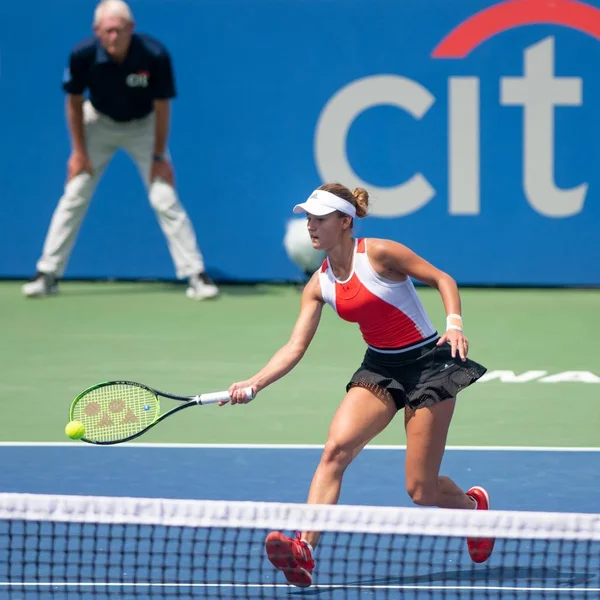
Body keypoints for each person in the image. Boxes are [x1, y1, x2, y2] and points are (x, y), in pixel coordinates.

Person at [226, 183, 495, 587]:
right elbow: (295, 346)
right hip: (380, 369)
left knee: (420, 491)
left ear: (345, 222)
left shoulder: (380, 253)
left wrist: (454, 322)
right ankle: (305, 549)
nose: (310, 227)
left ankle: (472, 507)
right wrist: (255, 383)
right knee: (335, 450)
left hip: (427, 365)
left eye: (319, 219)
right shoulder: (319, 284)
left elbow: (442, 278)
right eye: (308, 219)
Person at [22, 0, 218, 300]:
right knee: (75, 192)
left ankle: (196, 275)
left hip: (144, 127)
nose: (113, 37)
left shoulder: (154, 55)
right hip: (97, 124)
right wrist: (78, 152)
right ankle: (47, 273)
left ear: (131, 29)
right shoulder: (82, 55)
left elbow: (162, 107)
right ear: (97, 31)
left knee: (164, 197)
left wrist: (158, 155)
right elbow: (73, 103)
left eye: (119, 30)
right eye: (107, 31)